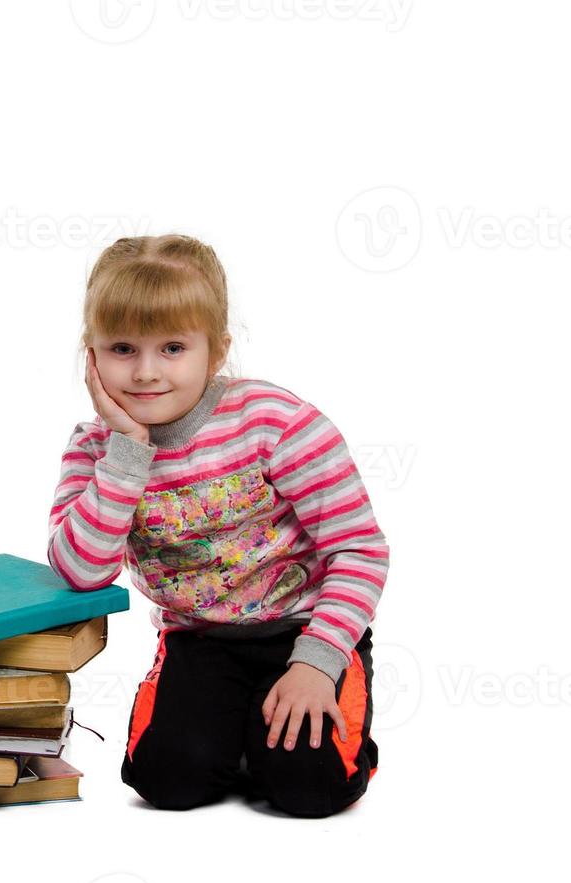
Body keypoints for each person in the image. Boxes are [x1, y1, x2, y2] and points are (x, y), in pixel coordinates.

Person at [47, 234, 390, 818]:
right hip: (201, 640)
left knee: (310, 789)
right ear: (91, 355)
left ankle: (287, 729)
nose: (147, 372)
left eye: (174, 347)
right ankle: (231, 735)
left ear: (217, 350)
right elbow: (81, 574)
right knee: (167, 782)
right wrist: (128, 451)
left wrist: (316, 661)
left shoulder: (274, 422)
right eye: (123, 348)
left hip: (303, 631)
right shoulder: (96, 449)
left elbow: (359, 550)